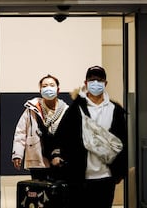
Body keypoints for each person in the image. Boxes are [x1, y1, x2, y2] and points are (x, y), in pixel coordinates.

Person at [51, 66, 127, 208]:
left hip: (106, 177)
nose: (96, 83)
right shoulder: (76, 110)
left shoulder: (115, 110)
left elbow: (123, 143)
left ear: (106, 83)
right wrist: (56, 155)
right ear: (85, 83)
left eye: (100, 80)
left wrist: (120, 172)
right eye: (92, 80)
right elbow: (61, 136)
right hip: (79, 176)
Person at [11, 74, 68, 170]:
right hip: (37, 160)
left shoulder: (66, 111)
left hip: (60, 161)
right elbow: (20, 132)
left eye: (52, 85)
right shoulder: (31, 109)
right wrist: (17, 154)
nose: (48, 88)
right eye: (44, 86)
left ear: (58, 90)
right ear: (40, 90)